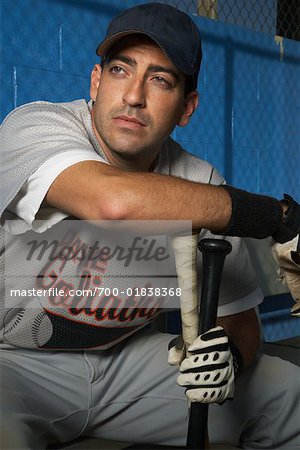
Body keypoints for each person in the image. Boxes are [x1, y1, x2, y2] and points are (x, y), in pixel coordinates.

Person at [0, 3, 299, 449]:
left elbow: (241, 320)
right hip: (14, 365)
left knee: (288, 393)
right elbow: (114, 201)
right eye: (121, 71)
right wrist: (279, 218)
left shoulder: (201, 183)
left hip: (127, 367)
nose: (134, 96)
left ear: (186, 107)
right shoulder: (36, 125)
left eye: (161, 80)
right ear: (96, 82)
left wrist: (229, 359)